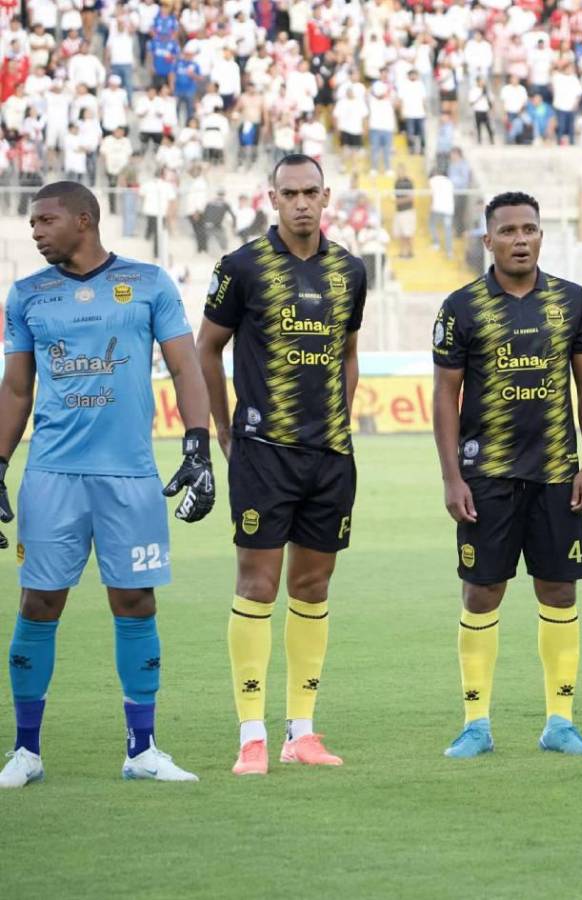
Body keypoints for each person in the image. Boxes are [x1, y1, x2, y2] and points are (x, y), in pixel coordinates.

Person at [0, 181, 215, 788]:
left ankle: (142, 748)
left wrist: (197, 445)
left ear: (85, 220)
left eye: (45, 220)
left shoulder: (149, 284)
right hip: (52, 476)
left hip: (129, 476)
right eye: (32, 222)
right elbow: (17, 390)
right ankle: (25, 751)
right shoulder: (25, 296)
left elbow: (184, 366)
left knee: (135, 601)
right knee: (39, 603)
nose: (35, 231)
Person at [195, 154, 367, 776]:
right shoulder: (241, 267)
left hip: (330, 458)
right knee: (258, 587)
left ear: (327, 198)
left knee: (313, 587)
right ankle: (251, 737)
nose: (301, 202)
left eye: (311, 192)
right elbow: (206, 349)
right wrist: (223, 430)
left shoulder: (351, 270)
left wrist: (342, 419)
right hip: (262, 454)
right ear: (272, 198)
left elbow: (348, 353)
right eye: (289, 192)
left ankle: (302, 732)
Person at [432, 191, 582, 759]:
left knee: (559, 589)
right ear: (489, 241)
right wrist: (453, 477)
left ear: (541, 235)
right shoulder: (461, 307)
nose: (521, 239)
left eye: (530, 228)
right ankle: (475, 723)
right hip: (488, 476)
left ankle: (560, 721)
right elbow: (444, 396)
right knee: (483, 591)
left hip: (557, 474)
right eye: (508, 231)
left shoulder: (571, 301)